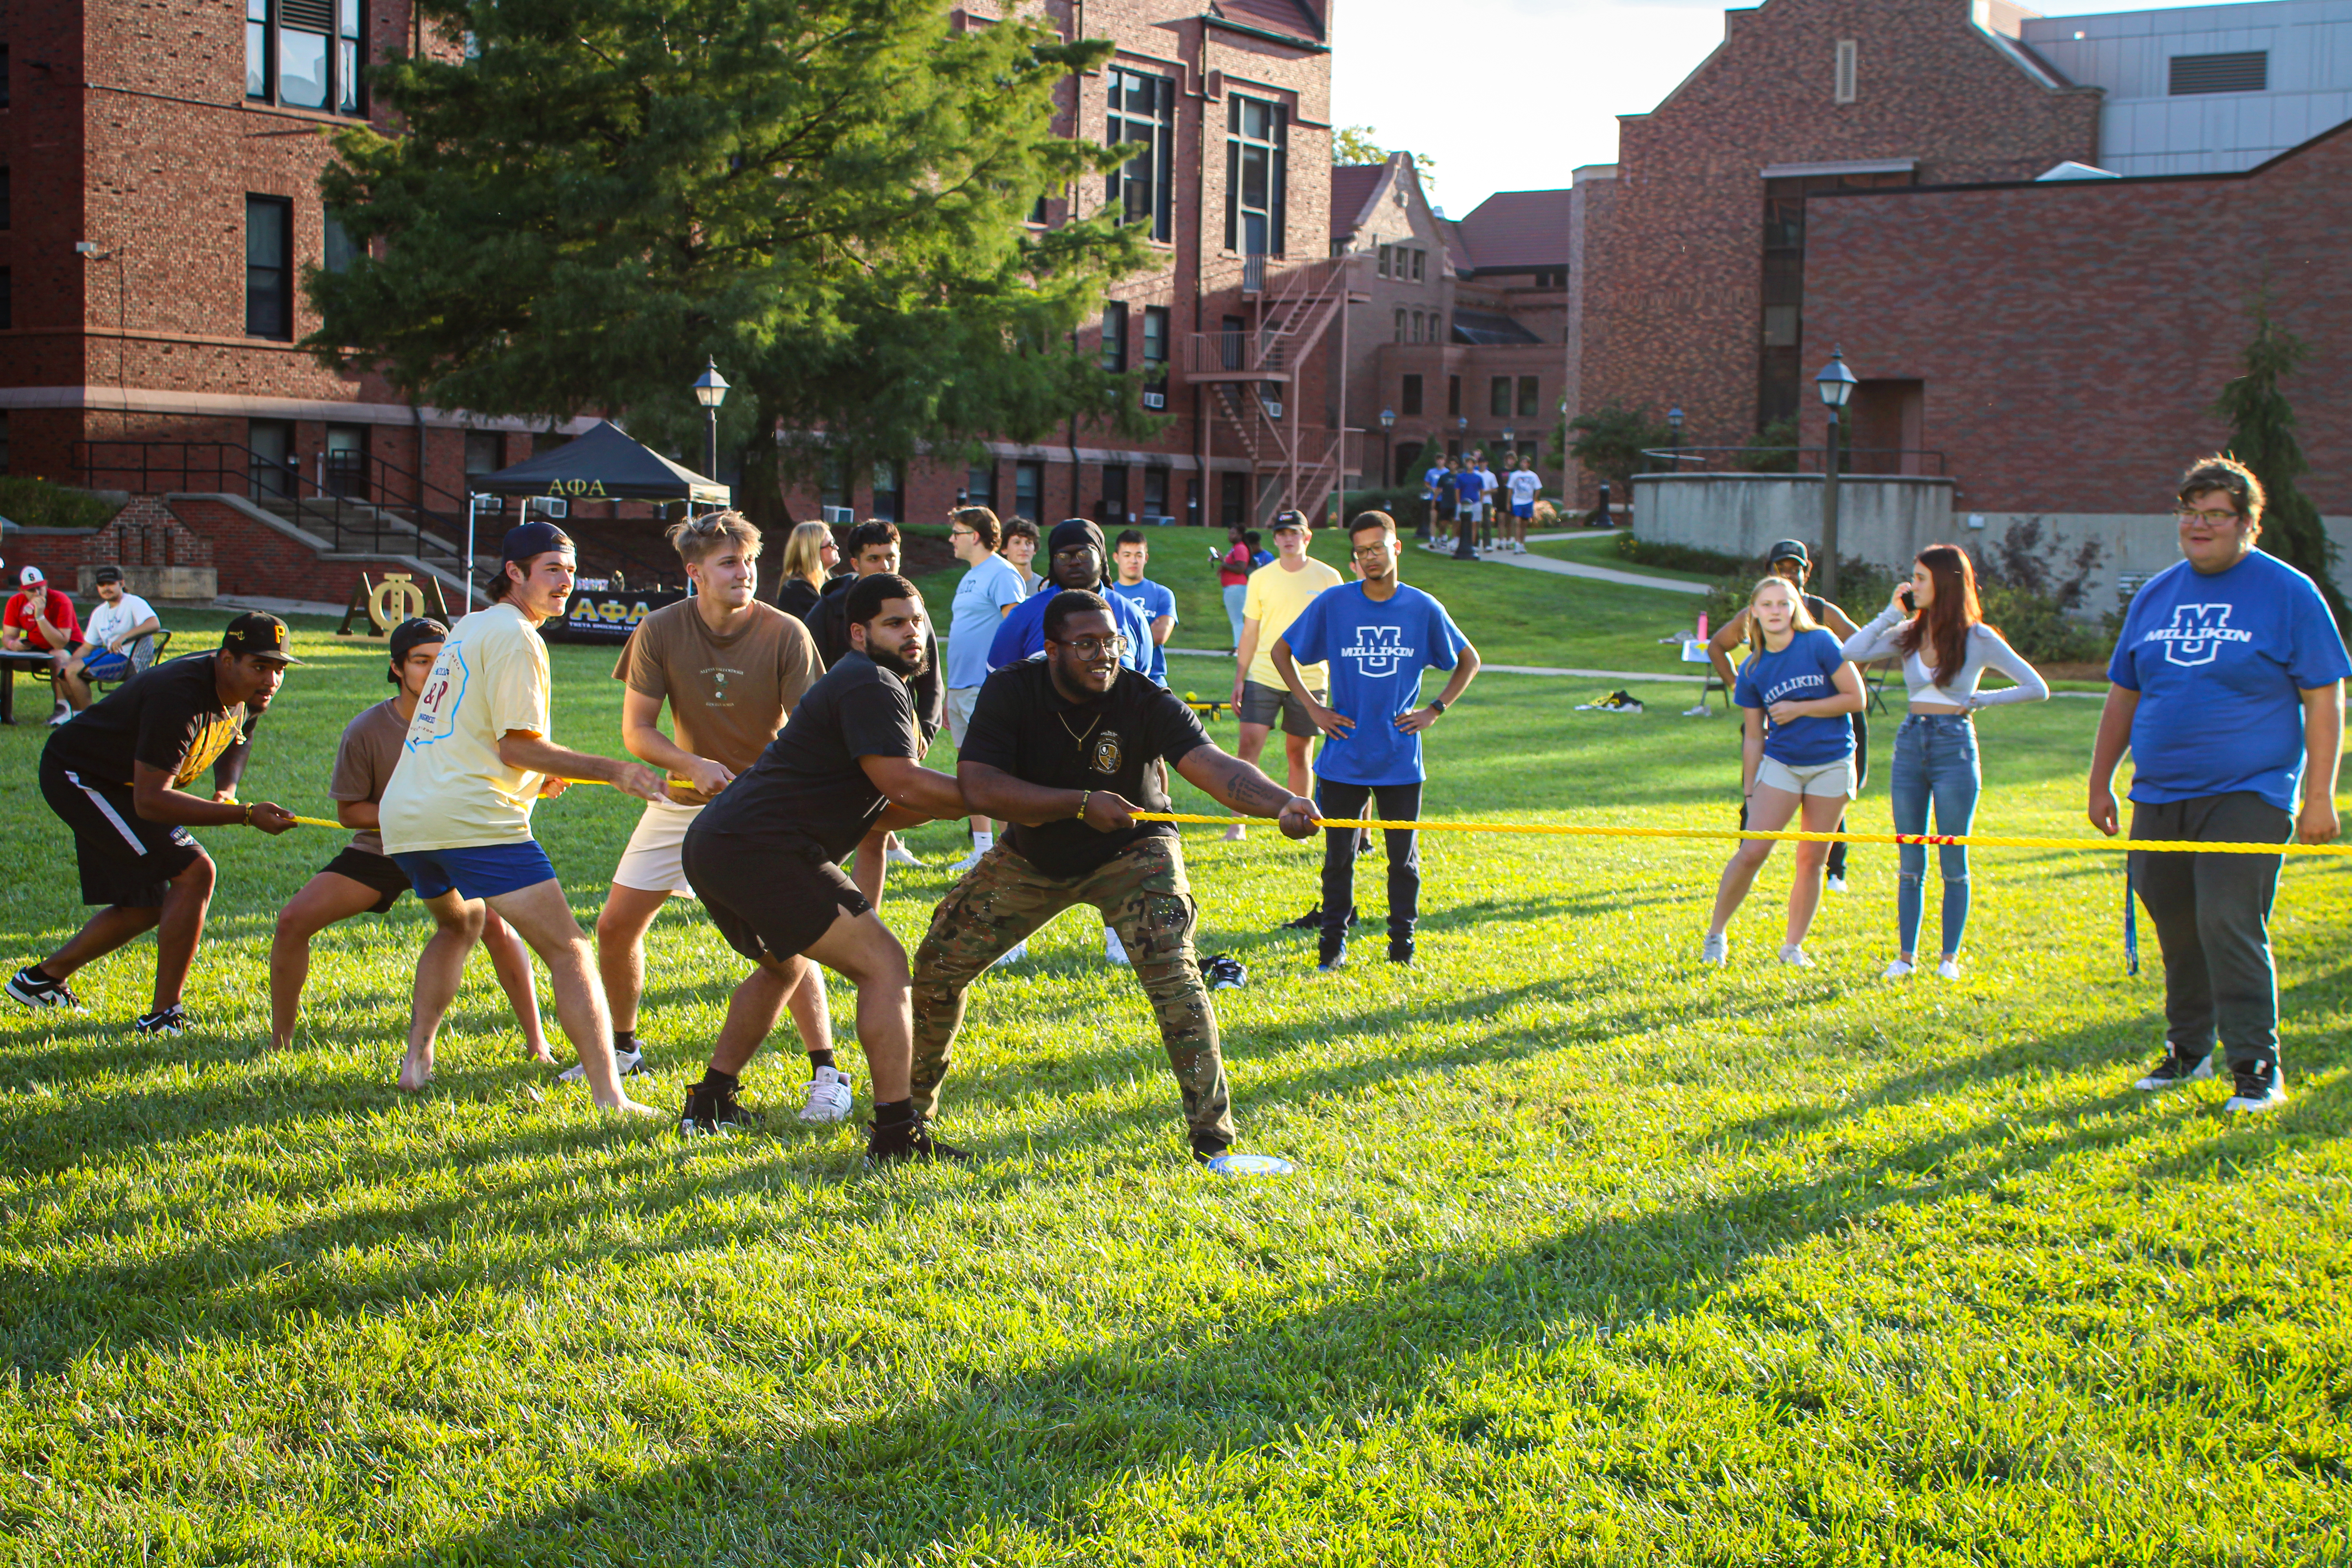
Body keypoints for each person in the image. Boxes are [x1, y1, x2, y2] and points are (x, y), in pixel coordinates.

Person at [911, 590, 1319, 1162]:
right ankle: (908, 1122)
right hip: (1035, 855)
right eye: (1087, 645)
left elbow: (1213, 765)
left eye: (1113, 643)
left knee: (1176, 978)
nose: (1104, 655)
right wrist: (1079, 803)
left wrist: (1281, 802)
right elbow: (980, 785)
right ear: (1051, 650)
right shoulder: (1012, 690)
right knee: (938, 963)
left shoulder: (1144, 698)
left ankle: (1213, 1140)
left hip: (1135, 853)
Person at [678, 572, 971, 1159]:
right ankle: (896, 1133)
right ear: (860, 633)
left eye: (917, 622)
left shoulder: (866, 680)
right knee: (885, 966)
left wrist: (948, 805)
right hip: (759, 848)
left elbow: (883, 810)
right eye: (895, 624)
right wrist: (999, 795)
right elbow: (900, 781)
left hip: (722, 843)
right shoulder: (871, 683)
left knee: (783, 967)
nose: (913, 635)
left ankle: (710, 1102)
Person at [377, 521, 670, 1109]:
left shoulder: (470, 627)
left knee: (457, 925)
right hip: (471, 820)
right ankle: (611, 1097)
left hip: (407, 816)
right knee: (570, 950)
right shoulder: (516, 636)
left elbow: (466, 732)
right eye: (551, 570)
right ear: (514, 573)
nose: (565, 582)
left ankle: (416, 1062)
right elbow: (517, 746)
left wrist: (536, 776)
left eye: (569, 569)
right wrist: (614, 770)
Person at [2092, 456, 2349, 1114]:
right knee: (2176, 923)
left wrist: (2320, 795)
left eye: (2214, 515)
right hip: (2160, 794)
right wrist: (2102, 781)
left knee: (2229, 920)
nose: (2198, 525)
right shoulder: (2157, 594)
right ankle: (2190, 1049)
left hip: (2250, 790)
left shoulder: (2289, 593)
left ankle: (2256, 1064)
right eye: (2189, 512)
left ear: (2248, 526)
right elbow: (2124, 694)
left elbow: (2324, 697)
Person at [590, 511, 849, 1118]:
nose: (745, 573)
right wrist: (692, 764)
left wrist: (761, 785)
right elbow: (637, 732)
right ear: (695, 573)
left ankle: (827, 1073)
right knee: (615, 925)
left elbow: (811, 732)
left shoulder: (786, 632)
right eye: (730, 563)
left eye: (751, 561)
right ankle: (624, 1048)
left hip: (764, 808)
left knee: (789, 941)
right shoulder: (659, 629)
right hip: (684, 800)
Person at [267, 617, 548, 1056]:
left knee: (496, 926)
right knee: (292, 921)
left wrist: (538, 781)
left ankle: (538, 1044)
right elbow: (349, 811)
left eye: (442, 661)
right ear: (397, 668)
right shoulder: (365, 729)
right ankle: (280, 1043)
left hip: (454, 848)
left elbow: (506, 777)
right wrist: (410, 816)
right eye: (421, 661)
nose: (433, 671)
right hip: (382, 850)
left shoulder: (473, 721)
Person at [9, 614, 302, 1032]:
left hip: (128, 783)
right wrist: (244, 815)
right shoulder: (179, 696)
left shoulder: (248, 690)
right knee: (195, 870)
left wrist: (228, 789)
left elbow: (243, 729)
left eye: (280, 668)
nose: (272, 679)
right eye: (261, 666)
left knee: (145, 906)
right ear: (225, 660)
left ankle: (41, 980)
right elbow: (150, 802)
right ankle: (165, 1014)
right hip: (83, 776)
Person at [1273, 512, 1481, 971]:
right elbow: (1281, 652)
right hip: (1344, 754)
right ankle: (1332, 948)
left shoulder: (1422, 607)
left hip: (1399, 757)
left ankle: (1401, 948)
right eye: (1361, 551)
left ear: (1396, 547)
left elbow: (1469, 660)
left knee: (1402, 863)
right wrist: (1313, 707)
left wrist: (1435, 709)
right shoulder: (1335, 604)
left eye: (1377, 547)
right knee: (1338, 860)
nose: (1370, 557)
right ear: (1354, 558)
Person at [1840, 545, 2049, 980]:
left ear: (1945, 582)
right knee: (1910, 858)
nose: (1911, 586)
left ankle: (1948, 959)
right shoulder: (1908, 632)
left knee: (1954, 859)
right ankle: (1906, 957)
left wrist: (1980, 700)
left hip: (1955, 746)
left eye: (1919, 579)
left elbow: (2037, 687)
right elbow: (1851, 652)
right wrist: (1889, 612)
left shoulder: (1979, 638)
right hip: (1911, 742)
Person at [988, 518, 1159, 960]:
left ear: (1103, 557)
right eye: (1064, 555)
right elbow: (1000, 673)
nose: (1074, 562)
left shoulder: (1130, 612)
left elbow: (1154, 681)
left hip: (1114, 748)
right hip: (1041, 748)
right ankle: (1012, 933)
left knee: (1121, 834)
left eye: (1084, 553)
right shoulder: (1029, 611)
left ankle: (1122, 935)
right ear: (1052, 561)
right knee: (1025, 832)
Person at [1701, 577, 1865, 967]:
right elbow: (1754, 737)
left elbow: (1855, 698)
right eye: (1767, 604)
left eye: (1784, 604)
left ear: (1795, 609)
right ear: (1753, 612)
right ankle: (1715, 936)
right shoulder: (1753, 668)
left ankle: (1793, 947)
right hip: (1783, 765)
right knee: (1752, 851)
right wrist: (1750, 791)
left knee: (1812, 860)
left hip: (1832, 763)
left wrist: (1800, 708)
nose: (1776, 611)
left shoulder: (1821, 642)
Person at [1707, 539, 1868, 890]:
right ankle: (1749, 857)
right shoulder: (1756, 612)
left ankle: (1835, 870)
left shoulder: (1822, 615)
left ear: (1807, 572)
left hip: (1827, 724)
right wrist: (1737, 683)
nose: (1790, 574)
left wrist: (1843, 681)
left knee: (1828, 796)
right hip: (1775, 724)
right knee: (1758, 788)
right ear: (1770, 571)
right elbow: (1717, 645)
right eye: (1783, 568)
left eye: (1797, 568)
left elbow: (1861, 645)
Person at [805, 519, 944, 891]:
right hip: (839, 737)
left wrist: (924, 733)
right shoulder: (830, 609)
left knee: (876, 832)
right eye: (874, 558)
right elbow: (806, 672)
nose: (884, 566)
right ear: (854, 563)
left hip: (892, 733)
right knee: (833, 829)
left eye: (891, 557)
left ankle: (867, 917)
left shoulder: (914, 609)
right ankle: (811, 900)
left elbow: (932, 682)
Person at [1227, 510, 1342, 842]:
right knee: (1248, 748)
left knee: (1299, 753)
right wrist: (1240, 677)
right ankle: (1238, 825)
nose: (1288, 538)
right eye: (1282, 533)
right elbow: (1250, 633)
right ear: (1275, 539)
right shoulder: (1261, 577)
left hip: (1310, 680)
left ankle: (1301, 827)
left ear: (1307, 537)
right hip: (1263, 675)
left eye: (1295, 532)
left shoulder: (1329, 577)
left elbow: (1338, 632)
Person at [942, 506, 1027, 877]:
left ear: (974, 536)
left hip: (987, 687)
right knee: (969, 769)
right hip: (961, 688)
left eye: (957, 532)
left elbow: (1018, 629)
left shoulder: (1002, 574)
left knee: (998, 770)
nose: (951, 539)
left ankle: (1013, 852)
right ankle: (982, 851)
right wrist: (949, 692)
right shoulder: (970, 577)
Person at [58, 566, 162, 712]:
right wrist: (69, 663)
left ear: (122, 584)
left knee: (72, 672)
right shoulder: (99, 612)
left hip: (130, 660)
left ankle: (88, 718)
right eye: (102, 585)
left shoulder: (133, 602)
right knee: (64, 671)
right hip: (109, 655)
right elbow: (88, 647)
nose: (106, 588)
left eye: (111, 584)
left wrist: (124, 638)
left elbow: (154, 624)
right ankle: (73, 716)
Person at [3, 566, 83, 726]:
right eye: (32, 590)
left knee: (58, 656)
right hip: (37, 644)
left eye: (40, 588)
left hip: (69, 644)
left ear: (46, 585)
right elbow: (8, 635)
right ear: (22, 591)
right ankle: (4, 711)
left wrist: (39, 615)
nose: (38, 594)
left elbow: (61, 642)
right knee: (4, 656)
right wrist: (13, 644)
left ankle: (63, 709)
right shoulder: (16, 602)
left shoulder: (61, 600)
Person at [1107, 528, 1178, 685]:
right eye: (1127, 555)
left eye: (1139, 555)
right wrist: (1145, 630)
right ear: (1116, 558)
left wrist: (1119, 639)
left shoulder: (1162, 594)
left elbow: (1160, 636)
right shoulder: (1106, 595)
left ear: (1146, 558)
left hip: (1153, 680)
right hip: (1113, 679)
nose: (1134, 561)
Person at [773, 521, 840, 619]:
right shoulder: (796, 592)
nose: (836, 547)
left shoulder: (833, 583)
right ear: (813, 551)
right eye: (831, 544)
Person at [1212, 523, 1254, 651]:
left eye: (1233, 533)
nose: (1230, 536)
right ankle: (1240, 647)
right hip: (1233, 588)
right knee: (1237, 619)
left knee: (1237, 620)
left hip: (1236, 587)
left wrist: (1223, 564)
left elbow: (1240, 569)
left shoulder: (1240, 548)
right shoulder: (1235, 548)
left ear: (1240, 535)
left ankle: (1239, 648)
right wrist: (1222, 561)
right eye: (1230, 533)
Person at [1504, 458, 1542, 556]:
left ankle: (1522, 543)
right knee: (1517, 522)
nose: (1523, 464)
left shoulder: (1533, 476)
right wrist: (1508, 502)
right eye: (1522, 462)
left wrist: (1534, 500)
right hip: (1517, 502)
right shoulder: (1515, 475)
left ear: (1529, 464)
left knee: (1524, 524)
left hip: (1528, 502)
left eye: (1525, 463)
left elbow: (1538, 488)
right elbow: (1510, 489)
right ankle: (1517, 544)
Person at [1449, 460, 1486, 555]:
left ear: (1474, 465)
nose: (1469, 465)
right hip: (1463, 503)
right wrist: (1458, 503)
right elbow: (1457, 490)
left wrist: (1481, 502)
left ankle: (1472, 546)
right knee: (1460, 523)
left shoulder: (1478, 477)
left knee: (1474, 524)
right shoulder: (1461, 477)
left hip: (1475, 503)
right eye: (1468, 463)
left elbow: (1482, 490)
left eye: (1471, 463)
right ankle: (1457, 541)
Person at [1003, 517, 1044, 595]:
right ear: (1004, 549)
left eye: (1029, 543)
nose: (1024, 548)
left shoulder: (1045, 588)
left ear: (1035, 549)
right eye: (1017, 543)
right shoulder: (994, 586)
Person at [1475, 454, 1501, 552]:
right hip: (1476, 501)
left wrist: (1486, 492)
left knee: (1487, 523)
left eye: (1484, 463)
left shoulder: (1491, 475)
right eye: (1481, 463)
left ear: (1487, 464)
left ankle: (1487, 544)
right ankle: (1475, 543)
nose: (1482, 464)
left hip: (1487, 501)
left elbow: (1495, 489)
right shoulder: (1475, 474)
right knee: (1476, 522)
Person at [1420, 455, 1448, 542]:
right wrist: (1432, 489)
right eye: (1438, 460)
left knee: (1443, 521)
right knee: (1433, 519)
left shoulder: (1447, 472)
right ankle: (1432, 538)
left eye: (1442, 460)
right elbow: (1426, 483)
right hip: (1433, 499)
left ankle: (1441, 536)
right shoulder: (1431, 472)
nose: (1440, 462)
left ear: (1444, 461)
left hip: (1444, 499)